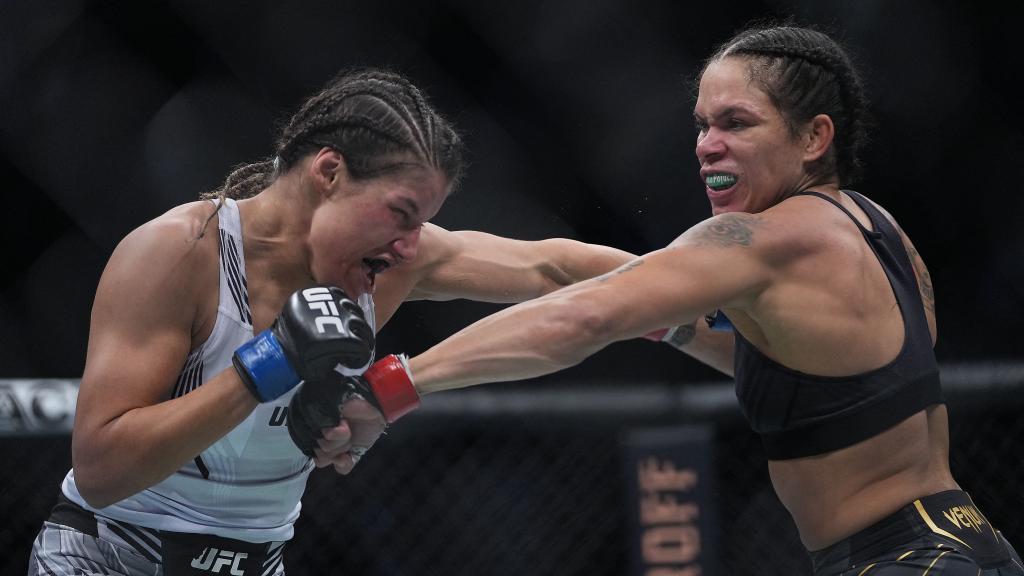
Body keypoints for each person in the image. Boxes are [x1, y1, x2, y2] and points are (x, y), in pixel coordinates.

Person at [341, 25, 1024, 575]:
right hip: (963, 541)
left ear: (815, 138)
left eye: (735, 122)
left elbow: (586, 315)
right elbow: (590, 279)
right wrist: (442, 254)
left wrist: (391, 386)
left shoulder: (762, 238)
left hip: (906, 558)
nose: (706, 146)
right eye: (701, 124)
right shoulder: (874, 232)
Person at [26, 68, 641, 576]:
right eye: (400, 213)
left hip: (256, 561)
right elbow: (102, 471)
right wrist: (264, 369)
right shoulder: (182, 254)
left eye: (421, 223)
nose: (408, 245)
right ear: (329, 173)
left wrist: (707, 288)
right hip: (108, 554)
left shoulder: (394, 262)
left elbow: (549, 266)